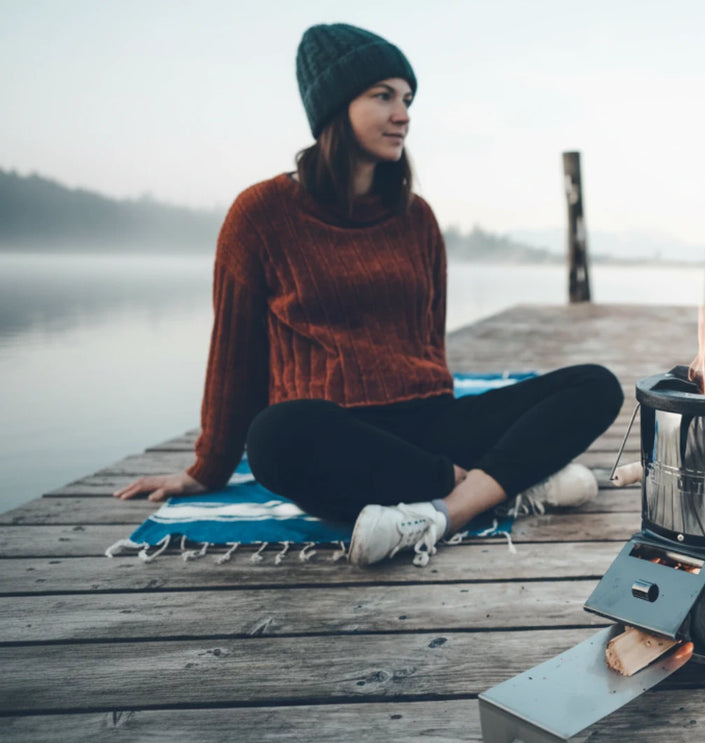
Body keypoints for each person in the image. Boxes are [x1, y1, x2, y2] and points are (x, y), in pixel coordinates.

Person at [116, 23, 622, 567]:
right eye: (383, 96)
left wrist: (451, 429)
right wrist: (206, 470)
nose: (403, 113)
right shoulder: (260, 214)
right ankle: (504, 485)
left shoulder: (416, 218)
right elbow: (234, 358)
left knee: (595, 384)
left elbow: (429, 343)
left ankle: (452, 509)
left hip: (429, 426)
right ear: (335, 107)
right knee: (273, 436)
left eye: (406, 98)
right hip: (342, 435)